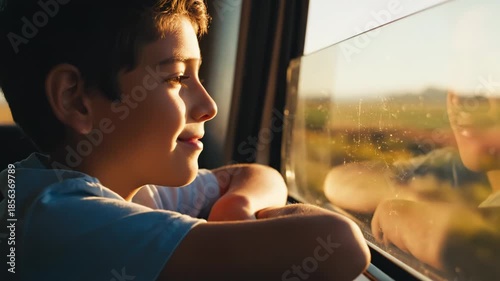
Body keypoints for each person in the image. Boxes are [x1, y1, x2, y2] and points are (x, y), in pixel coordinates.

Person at [0, 0, 370, 280]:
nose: (209, 106)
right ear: (76, 100)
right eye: (177, 78)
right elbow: (339, 244)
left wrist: (236, 207)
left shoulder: (134, 190)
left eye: (199, 77)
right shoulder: (61, 221)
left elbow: (254, 174)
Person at [324, 92, 500, 279]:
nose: (462, 97)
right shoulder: (456, 168)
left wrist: (438, 231)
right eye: (458, 80)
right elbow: (337, 180)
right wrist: (411, 199)